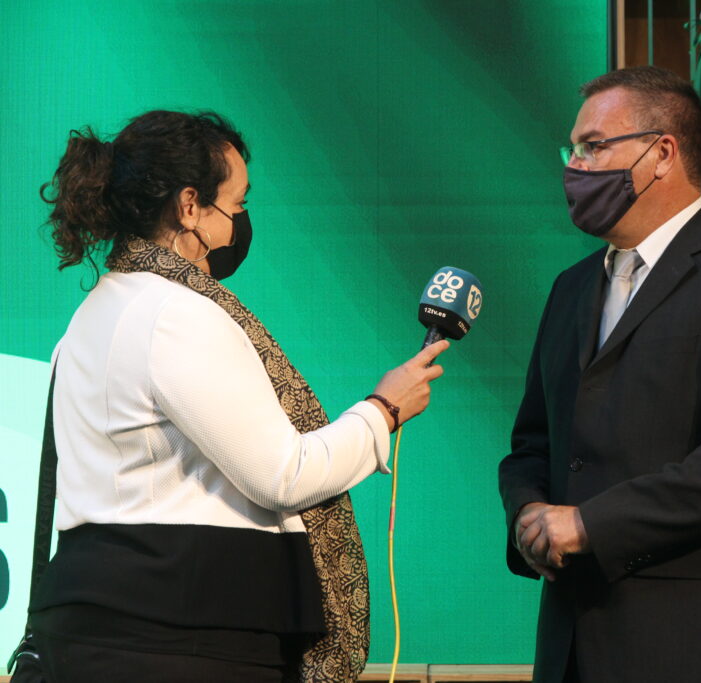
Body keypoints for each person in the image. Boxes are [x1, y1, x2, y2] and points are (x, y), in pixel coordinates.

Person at [27, 110, 447, 682]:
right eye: (239, 204)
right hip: (186, 639)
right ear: (190, 206)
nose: (241, 224)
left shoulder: (91, 316)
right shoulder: (174, 313)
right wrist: (383, 410)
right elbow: (282, 475)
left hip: (98, 633)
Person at [498, 66, 701, 683]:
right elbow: (532, 445)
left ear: (661, 154)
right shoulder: (570, 289)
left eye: (593, 146)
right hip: (571, 645)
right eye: (573, 149)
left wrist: (591, 525)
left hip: (697, 647)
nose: (575, 166)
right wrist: (529, 516)